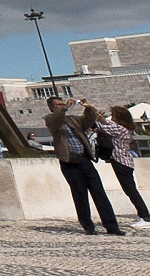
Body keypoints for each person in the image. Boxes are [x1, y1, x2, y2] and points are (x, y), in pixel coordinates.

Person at [48, 99, 123, 235]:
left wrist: (88, 108)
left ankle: (111, 225)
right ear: (51, 108)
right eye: (57, 105)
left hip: (84, 159)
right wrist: (64, 108)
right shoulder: (51, 119)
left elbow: (88, 121)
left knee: (99, 192)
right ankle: (88, 226)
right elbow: (55, 122)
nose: (61, 106)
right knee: (80, 194)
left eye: (61, 104)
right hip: (69, 161)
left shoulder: (73, 120)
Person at [94, 104, 150, 230]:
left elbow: (99, 126)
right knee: (131, 190)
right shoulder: (125, 128)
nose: (111, 117)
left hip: (121, 162)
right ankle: (143, 215)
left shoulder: (119, 129)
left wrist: (91, 115)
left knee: (131, 191)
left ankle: (146, 217)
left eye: (113, 115)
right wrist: (92, 109)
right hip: (125, 162)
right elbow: (105, 122)